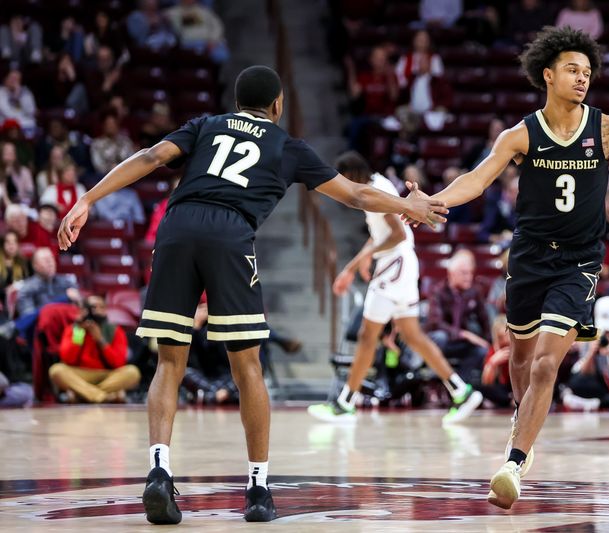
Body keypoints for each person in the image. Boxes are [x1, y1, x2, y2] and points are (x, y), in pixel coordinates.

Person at [56, 65, 446, 524]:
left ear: (237, 102)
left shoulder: (205, 125)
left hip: (176, 229)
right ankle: (258, 488)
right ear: (278, 106)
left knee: (168, 360)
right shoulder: (287, 145)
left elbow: (149, 157)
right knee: (246, 366)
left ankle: (159, 471)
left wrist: (87, 199)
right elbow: (357, 196)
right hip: (229, 233)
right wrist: (407, 204)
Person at [407, 26, 609, 509]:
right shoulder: (520, 134)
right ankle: (525, 422)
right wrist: (433, 200)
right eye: (572, 71)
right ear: (547, 75)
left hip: (579, 261)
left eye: (587, 72)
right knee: (519, 359)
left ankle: (515, 461)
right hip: (529, 256)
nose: (582, 79)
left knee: (545, 363)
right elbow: (477, 180)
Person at [308, 151, 482, 425]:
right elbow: (381, 235)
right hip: (401, 262)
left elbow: (398, 234)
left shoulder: (377, 189)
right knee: (413, 336)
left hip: (396, 263)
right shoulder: (373, 186)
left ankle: (345, 403)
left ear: (352, 175)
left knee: (368, 334)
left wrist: (360, 262)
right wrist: (353, 265)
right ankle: (461, 391)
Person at [425, 250, 494, 396]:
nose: (469, 277)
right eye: (464, 273)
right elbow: (435, 322)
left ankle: (459, 388)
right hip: (441, 342)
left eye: (470, 273)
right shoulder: (438, 291)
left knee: (480, 350)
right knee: (440, 336)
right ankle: (434, 383)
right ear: (452, 273)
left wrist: (488, 344)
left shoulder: (474, 291)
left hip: (459, 343)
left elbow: (484, 320)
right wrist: (464, 334)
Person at [50, 294, 141, 403]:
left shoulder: (115, 331)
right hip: (80, 374)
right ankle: (105, 396)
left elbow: (118, 363)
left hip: (107, 374)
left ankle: (82, 395)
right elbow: (68, 359)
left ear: (105, 310)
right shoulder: (74, 329)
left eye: (100, 307)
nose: (96, 310)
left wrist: (100, 340)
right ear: (84, 310)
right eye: (92, 307)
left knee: (132, 372)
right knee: (56, 370)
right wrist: (79, 333)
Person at [0, 69, 37, 134]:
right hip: (6, 124)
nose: (14, 81)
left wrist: (18, 95)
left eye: (17, 79)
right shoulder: (1, 92)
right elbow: (8, 114)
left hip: (25, 124)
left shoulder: (25, 92)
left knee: (32, 123)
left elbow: (31, 111)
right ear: (5, 79)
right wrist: (15, 98)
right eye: (12, 78)